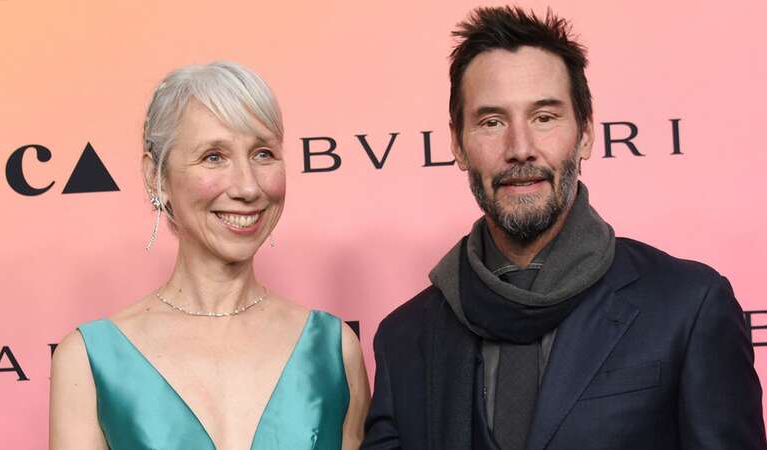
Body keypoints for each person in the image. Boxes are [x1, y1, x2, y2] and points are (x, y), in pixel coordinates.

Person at [362, 7, 765, 450]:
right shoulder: (404, 338)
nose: (520, 149)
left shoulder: (688, 306)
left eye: (544, 117)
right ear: (458, 144)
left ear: (586, 132)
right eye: (492, 122)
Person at [50, 61, 370, 450]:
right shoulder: (89, 360)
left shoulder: (334, 349)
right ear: (157, 178)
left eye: (263, 153)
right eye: (213, 157)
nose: (248, 187)